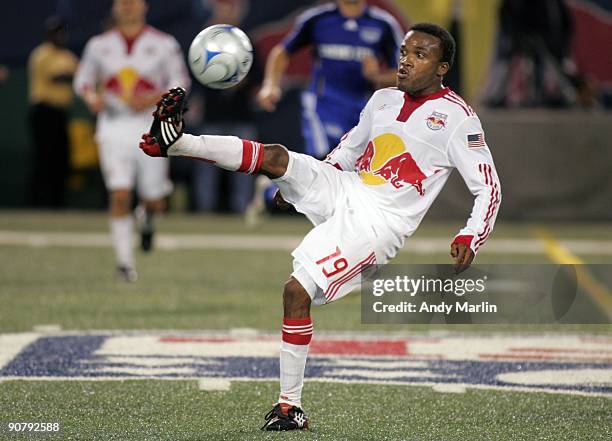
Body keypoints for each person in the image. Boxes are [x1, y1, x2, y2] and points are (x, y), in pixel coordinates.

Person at [140, 23, 501, 431]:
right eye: (404, 51)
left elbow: (488, 186)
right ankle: (175, 142)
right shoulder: (382, 99)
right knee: (277, 158)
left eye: (420, 55)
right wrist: (301, 182)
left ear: (442, 68)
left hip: (378, 224)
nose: (405, 60)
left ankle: (289, 407)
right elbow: (349, 150)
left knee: (295, 291)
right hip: (347, 187)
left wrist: (472, 233)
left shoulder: (458, 119)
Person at [246, 0, 404, 224]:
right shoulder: (318, 18)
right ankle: (331, 222)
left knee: (349, 169)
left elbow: (403, 73)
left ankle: (269, 190)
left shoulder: (383, 24)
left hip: (361, 109)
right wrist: (271, 84)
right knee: (325, 161)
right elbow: (282, 52)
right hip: (321, 104)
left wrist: (378, 76)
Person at [74, 0, 190, 282]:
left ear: (144, 6)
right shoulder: (98, 45)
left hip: (150, 126)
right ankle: (125, 264)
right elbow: (83, 81)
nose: (127, 6)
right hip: (113, 126)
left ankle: (147, 222)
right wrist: (92, 98)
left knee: (154, 201)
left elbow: (181, 83)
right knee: (120, 194)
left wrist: (153, 99)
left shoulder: (164, 44)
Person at [28, 16, 79, 208]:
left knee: (61, 158)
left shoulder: (67, 56)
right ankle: (36, 202)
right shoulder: (41, 54)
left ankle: (57, 203)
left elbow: (81, 75)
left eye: (61, 32)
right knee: (43, 157)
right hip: (43, 111)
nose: (59, 36)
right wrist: (73, 75)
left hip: (60, 113)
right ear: (48, 34)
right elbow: (55, 77)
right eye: (55, 32)